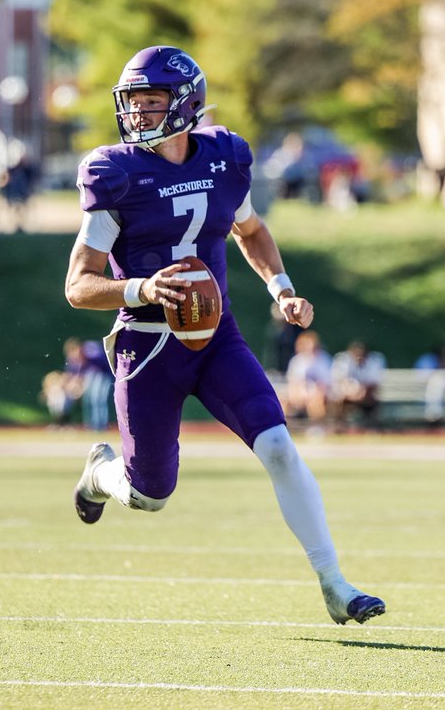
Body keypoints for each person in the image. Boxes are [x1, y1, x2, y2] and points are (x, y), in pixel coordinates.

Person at [65, 45, 384, 626]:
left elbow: (253, 231)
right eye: (132, 102)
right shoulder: (118, 175)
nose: (137, 113)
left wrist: (281, 288)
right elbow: (79, 285)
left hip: (216, 336)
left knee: (280, 447)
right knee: (149, 494)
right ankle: (99, 474)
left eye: (152, 101)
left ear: (185, 104)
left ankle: (335, 583)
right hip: (148, 344)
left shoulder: (223, 158)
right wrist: (140, 288)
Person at [328, 341, 386, 431]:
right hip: (347, 394)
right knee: (337, 399)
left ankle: (370, 427)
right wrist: (352, 392)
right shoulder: (343, 360)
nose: (359, 357)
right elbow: (340, 381)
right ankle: (338, 425)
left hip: (365, 395)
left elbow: (373, 384)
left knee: (372, 400)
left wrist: (361, 392)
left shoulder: (375, 361)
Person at [284, 332, 332, 433]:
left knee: (316, 402)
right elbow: (293, 382)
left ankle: (316, 428)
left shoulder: (323, 359)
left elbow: (325, 384)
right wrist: (297, 394)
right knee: (282, 402)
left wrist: (313, 395)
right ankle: (287, 429)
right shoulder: (296, 361)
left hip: (318, 393)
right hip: (301, 393)